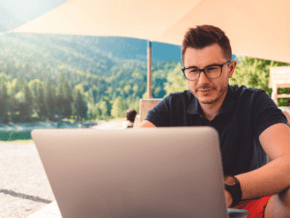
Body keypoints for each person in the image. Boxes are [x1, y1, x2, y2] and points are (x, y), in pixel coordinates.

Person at [138, 25, 290, 218]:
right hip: (182, 207)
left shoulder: (254, 101)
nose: (202, 81)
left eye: (212, 69)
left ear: (231, 68)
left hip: (247, 205)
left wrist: (229, 190)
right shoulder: (172, 105)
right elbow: (131, 151)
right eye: (193, 70)